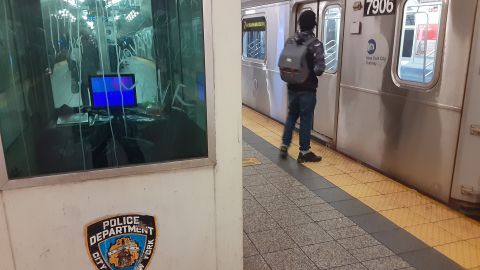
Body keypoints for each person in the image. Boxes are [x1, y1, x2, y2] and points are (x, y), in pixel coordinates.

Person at [279, 10, 325, 163]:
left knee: (291, 115)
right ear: (314, 24)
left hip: (292, 87)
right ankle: (304, 152)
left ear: (299, 23)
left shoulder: (290, 41)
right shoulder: (316, 44)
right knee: (305, 119)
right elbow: (319, 70)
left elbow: (284, 62)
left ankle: (284, 144)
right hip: (307, 89)